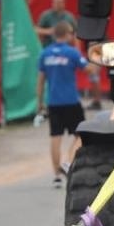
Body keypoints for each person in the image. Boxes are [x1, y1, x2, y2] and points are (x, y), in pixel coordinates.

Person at [37, 21, 88, 185]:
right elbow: (89, 69)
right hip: (71, 101)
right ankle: (68, 160)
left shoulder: (45, 54)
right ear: (67, 34)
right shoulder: (72, 53)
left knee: (55, 137)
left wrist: (40, 102)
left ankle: (56, 174)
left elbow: (40, 81)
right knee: (81, 134)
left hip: (53, 101)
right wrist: (80, 48)